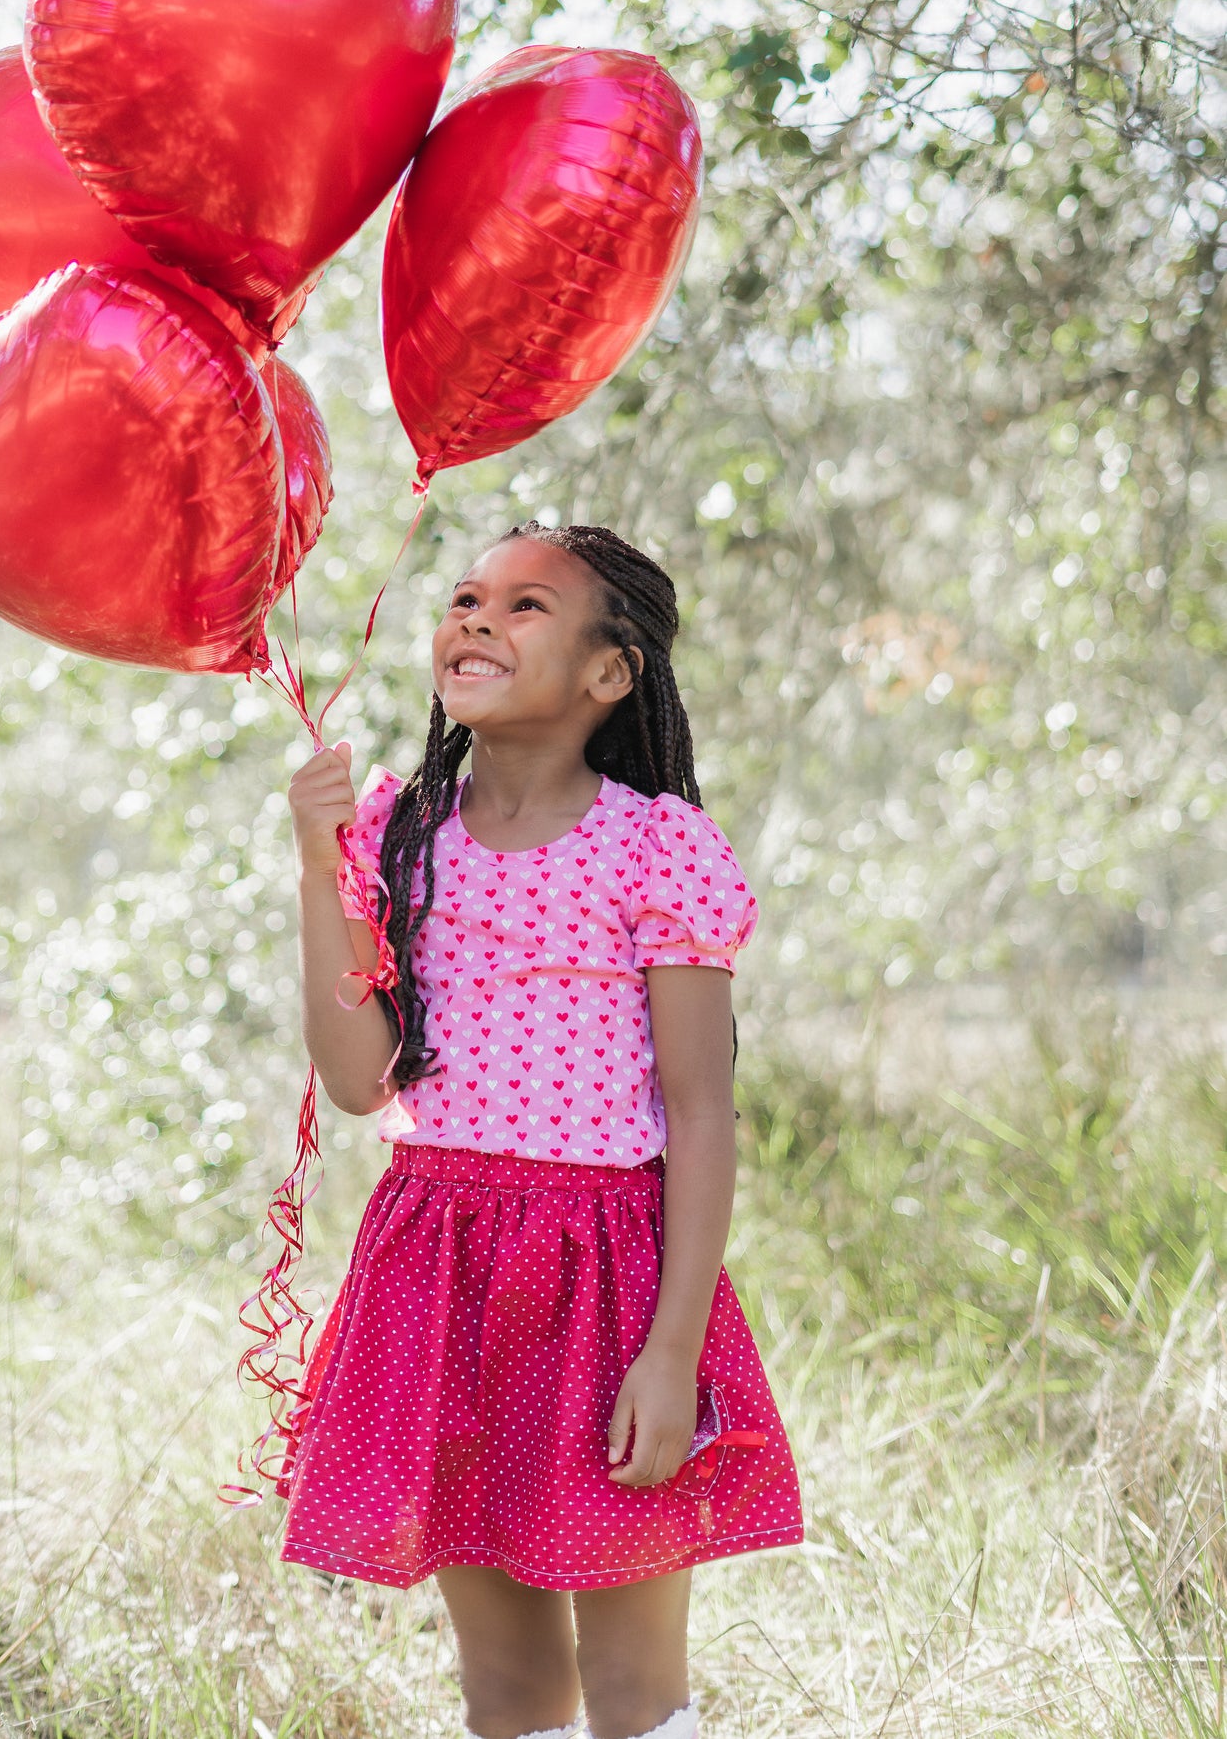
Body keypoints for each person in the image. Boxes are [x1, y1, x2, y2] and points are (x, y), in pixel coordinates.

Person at [273, 520, 802, 1739]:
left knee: (627, 1678)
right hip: (439, 1259)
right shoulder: (400, 834)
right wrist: (316, 863)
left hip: (606, 1277)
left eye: (522, 607)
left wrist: (669, 1355)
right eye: (464, 597)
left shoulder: (653, 843)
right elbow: (359, 1080)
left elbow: (700, 1108)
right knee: (506, 1683)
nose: (473, 619)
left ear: (608, 674)